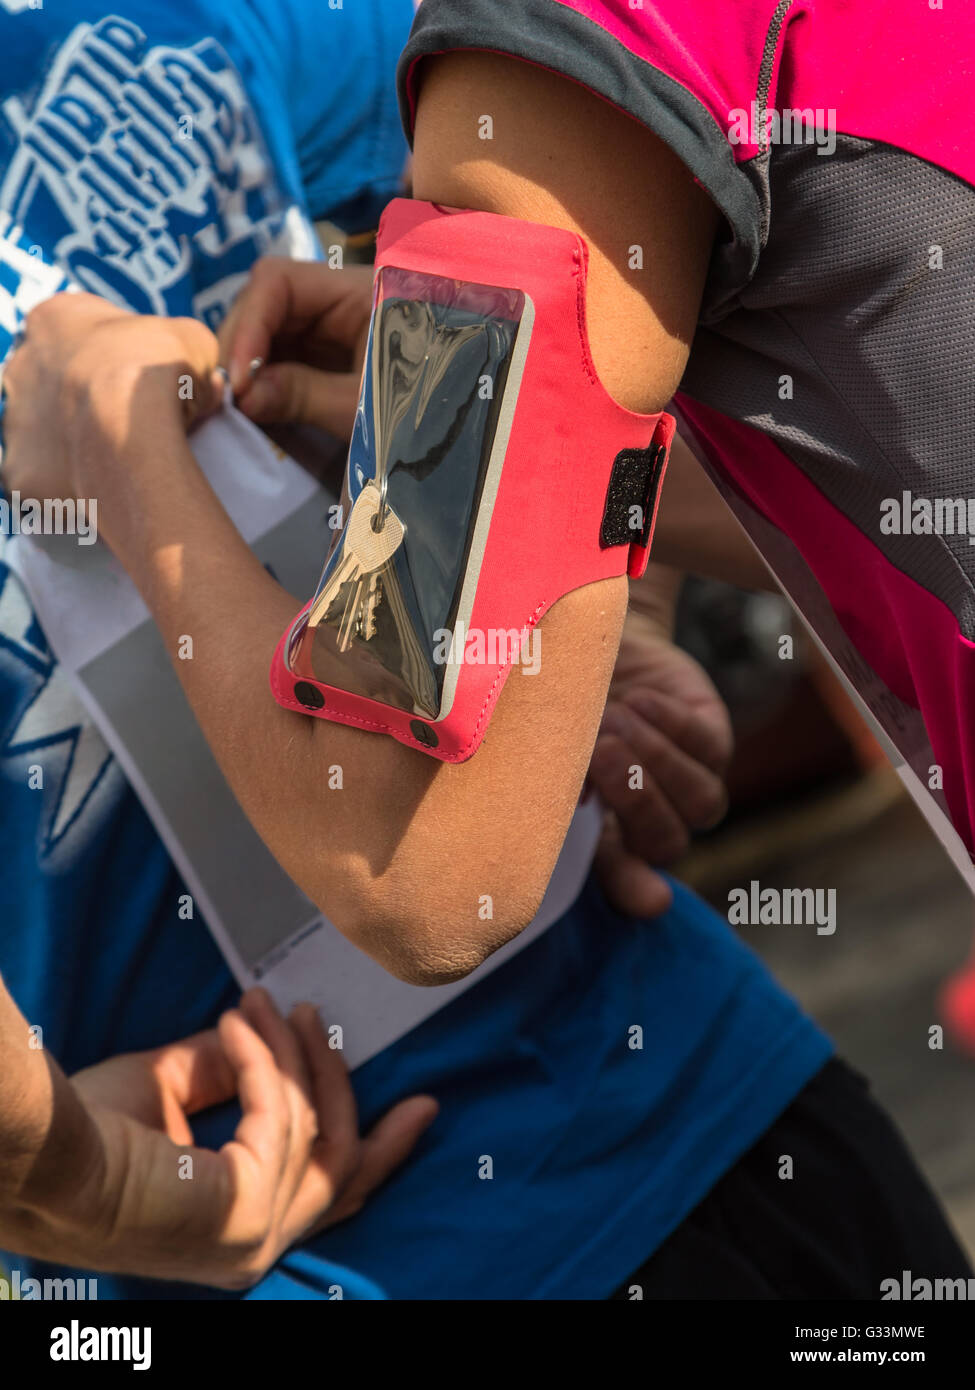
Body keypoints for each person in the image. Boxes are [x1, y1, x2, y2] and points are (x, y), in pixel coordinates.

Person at [1, 1, 969, 1300]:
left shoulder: (193, 28)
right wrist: (76, 1188)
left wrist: (595, 635)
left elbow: (424, 858)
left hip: (689, 1103)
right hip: (323, 1235)